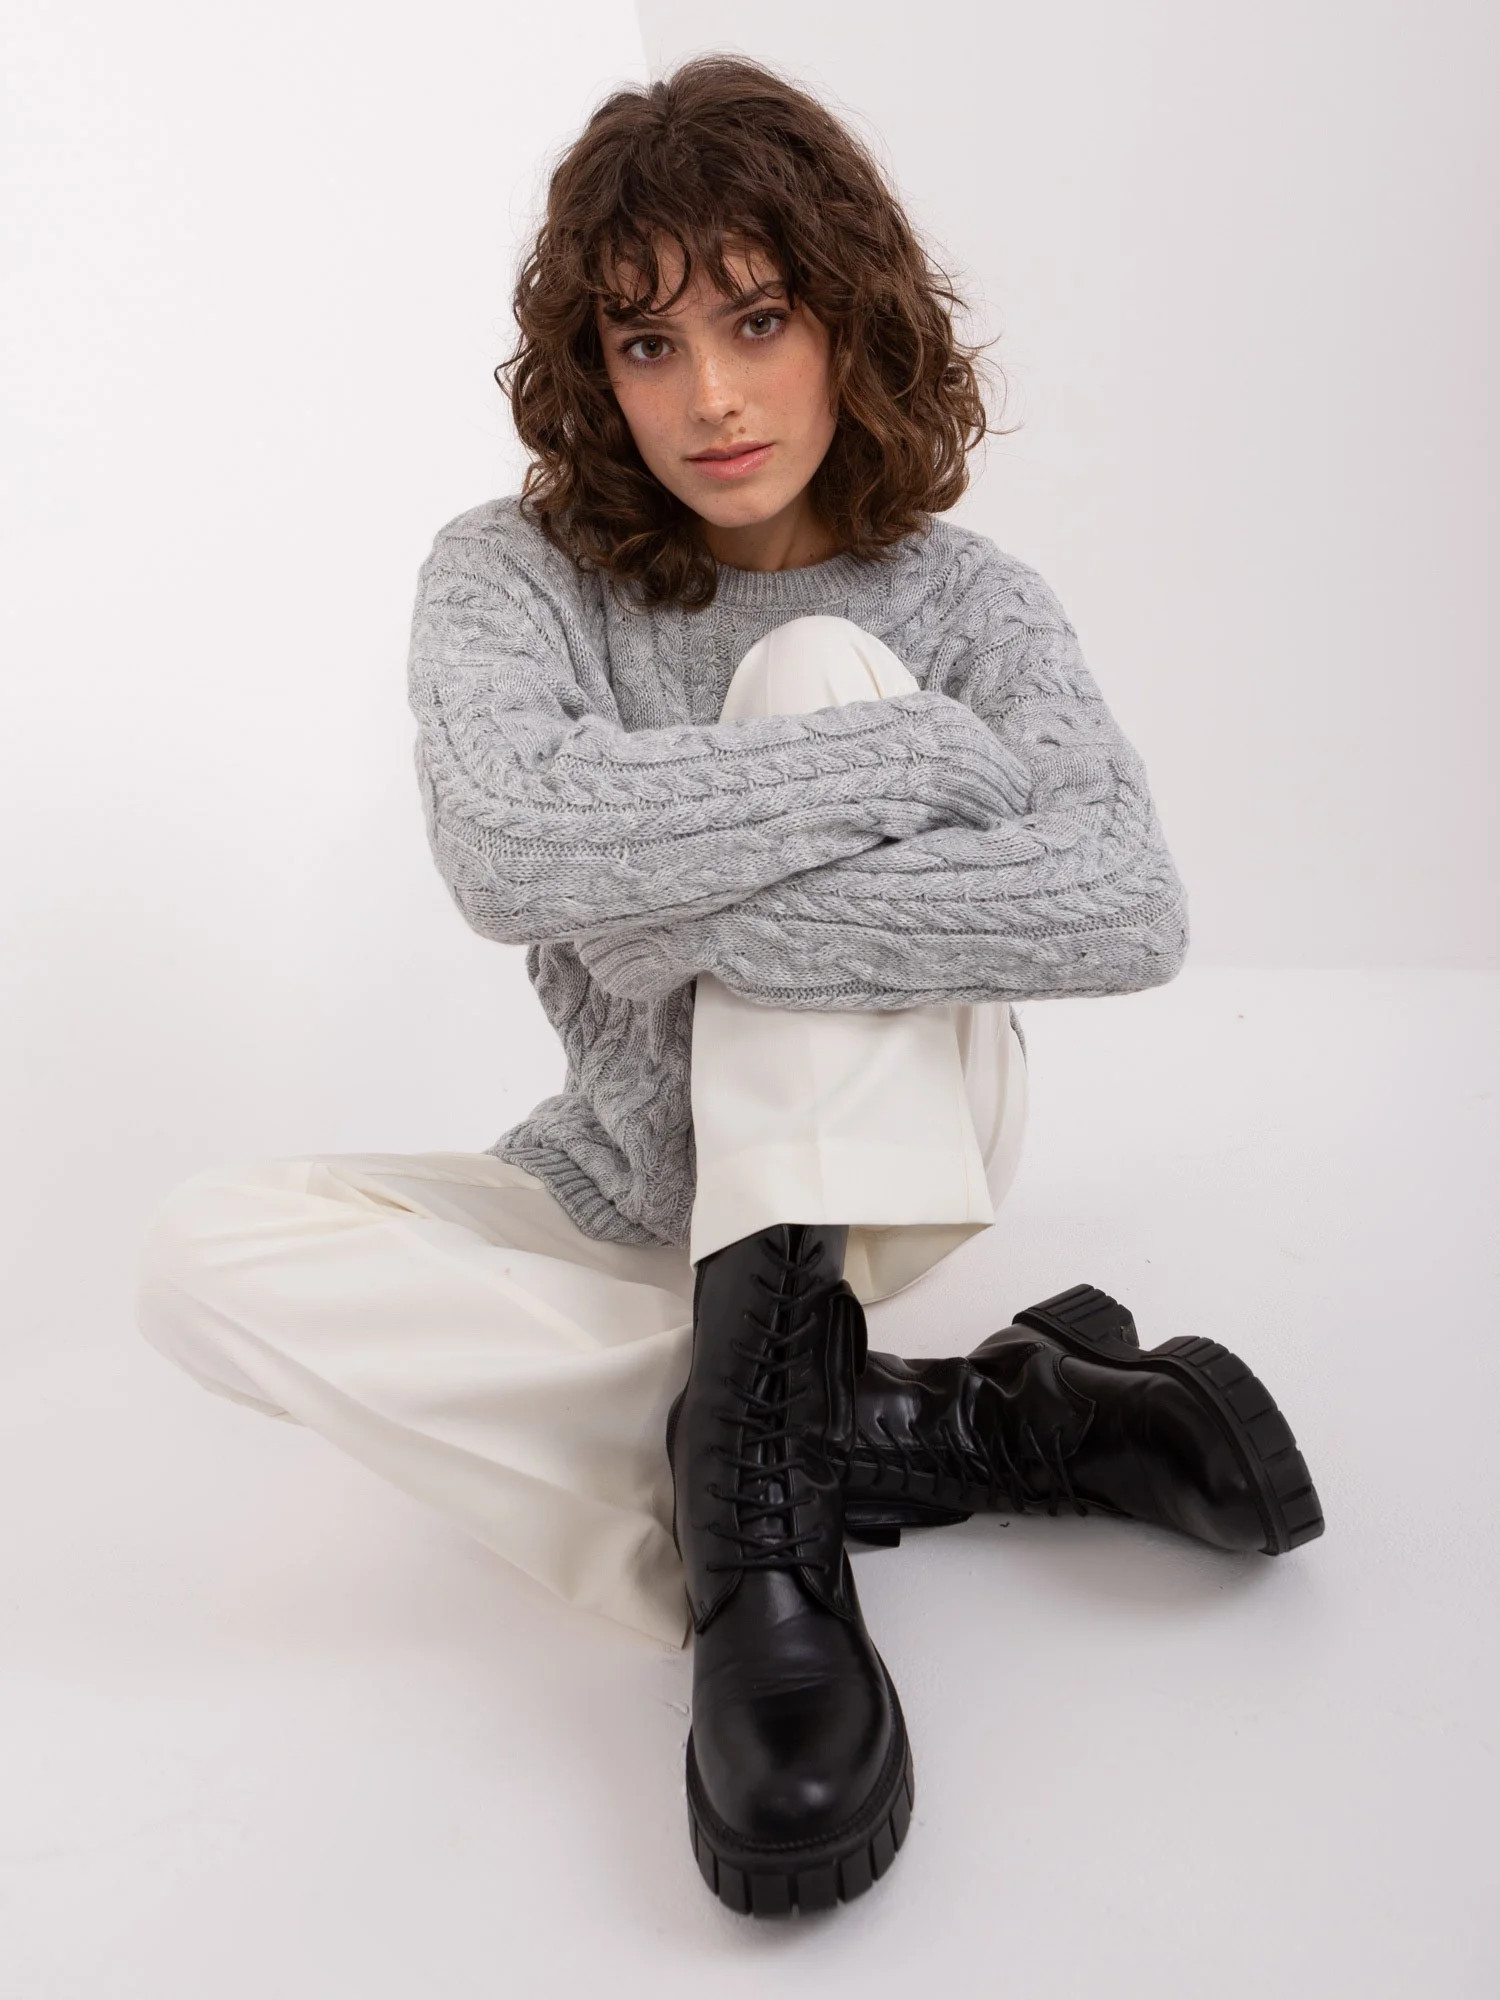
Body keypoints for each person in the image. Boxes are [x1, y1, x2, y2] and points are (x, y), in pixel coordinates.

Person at [134, 53, 1324, 1918]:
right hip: (625, 1173)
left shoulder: (963, 601)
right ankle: (937, 1424)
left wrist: (662, 901)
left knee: (818, 667)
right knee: (198, 1258)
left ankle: (763, 1546)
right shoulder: (510, 575)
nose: (710, 396)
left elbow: (1125, 903)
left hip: (885, 1145)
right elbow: (507, 852)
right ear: (593, 375)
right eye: (647, 344)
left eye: (758, 320)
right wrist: (918, 768)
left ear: (847, 318)